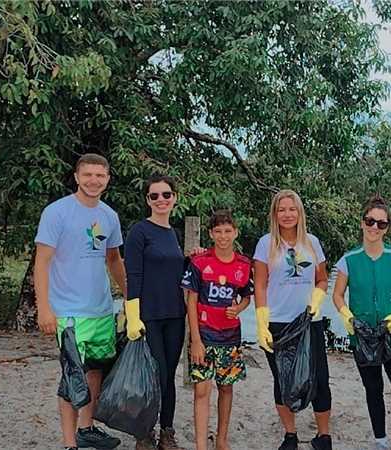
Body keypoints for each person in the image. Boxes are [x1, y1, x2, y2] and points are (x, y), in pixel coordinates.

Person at [34, 153, 126, 450]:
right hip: (69, 312)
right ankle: (69, 442)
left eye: (100, 175)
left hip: (101, 308)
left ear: (108, 179)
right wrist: (44, 308)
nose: (93, 180)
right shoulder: (57, 212)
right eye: (87, 175)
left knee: (96, 370)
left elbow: (113, 259)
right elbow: (42, 262)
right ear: (76, 177)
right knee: (72, 375)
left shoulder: (109, 216)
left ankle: (87, 427)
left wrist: (130, 296)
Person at [332, 195, 391, 450]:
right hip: (363, 336)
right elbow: (337, 294)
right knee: (373, 390)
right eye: (370, 221)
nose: (374, 228)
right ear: (362, 223)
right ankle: (380, 440)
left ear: (387, 227)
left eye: (381, 223)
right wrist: (346, 316)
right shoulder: (349, 260)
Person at [253, 189, 332, 450]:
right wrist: (262, 320)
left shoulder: (312, 242)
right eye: (281, 210)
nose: (287, 214)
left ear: (300, 212)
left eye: (292, 209)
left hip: (309, 321)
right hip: (278, 322)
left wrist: (317, 299)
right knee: (283, 379)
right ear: (275, 214)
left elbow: (322, 277)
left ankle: (323, 435)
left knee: (319, 378)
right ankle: (290, 435)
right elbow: (260, 284)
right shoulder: (266, 243)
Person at [181, 209, 253, 450]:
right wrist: (196, 340)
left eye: (228, 231)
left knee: (226, 387)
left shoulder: (244, 264)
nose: (223, 236)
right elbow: (190, 301)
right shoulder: (199, 262)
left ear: (235, 233)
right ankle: (201, 445)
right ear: (211, 233)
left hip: (230, 337)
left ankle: (221, 439)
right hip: (204, 335)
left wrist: (240, 308)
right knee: (202, 390)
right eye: (218, 231)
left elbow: (246, 296)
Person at [124, 175, 186, 450]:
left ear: (174, 198)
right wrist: (133, 316)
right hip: (148, 316)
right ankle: (144, 431)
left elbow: (177, 271)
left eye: (166, 195)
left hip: (175, 314)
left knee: (169, 376)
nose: (161, 200)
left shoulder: (176, 234)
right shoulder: (139, 232)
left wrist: (192, 259)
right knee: (153, 375)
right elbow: (133, 275)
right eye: (154, 196)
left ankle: (167, 432)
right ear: (147, 200)